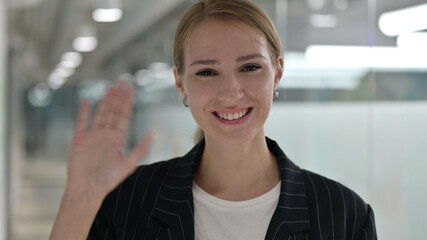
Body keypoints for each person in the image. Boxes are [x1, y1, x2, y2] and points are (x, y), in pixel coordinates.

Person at [50, 0, 377, 239]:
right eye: (207, 72)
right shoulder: (130, 200)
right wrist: (80, 198)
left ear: (277, 71)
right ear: (181, 82)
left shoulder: (344, 215)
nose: (231, 92)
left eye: (250, 67)